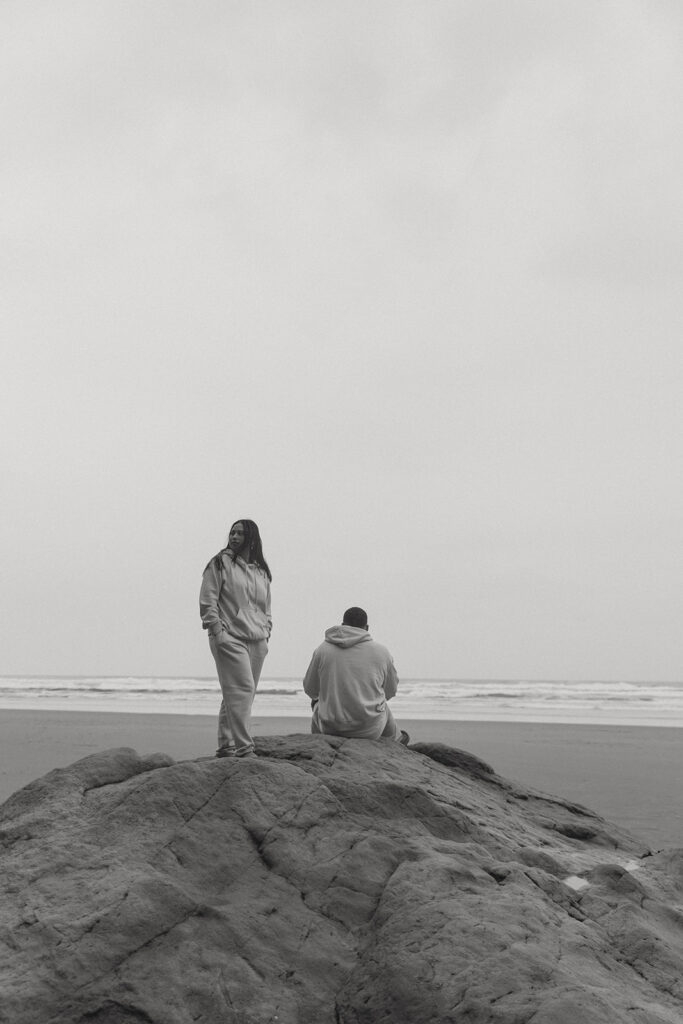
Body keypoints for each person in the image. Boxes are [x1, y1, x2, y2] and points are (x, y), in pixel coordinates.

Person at [199, 519, 272, 759]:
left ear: (252, 537)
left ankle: (226, 746)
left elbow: (266, 607)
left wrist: (267, 630)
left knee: (238, 694)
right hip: (230, 636)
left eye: (240, 533)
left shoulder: (261, 571)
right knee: (242, 689)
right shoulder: (220, 564)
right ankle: (244, 748)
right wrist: (218, 631)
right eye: (232, 532)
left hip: (257, 640)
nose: (234, 536)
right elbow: (208, 599)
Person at [303, 607, 409, 744]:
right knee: (382, 705)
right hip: (369, 730)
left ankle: (318, 744)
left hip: (331, 728)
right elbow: (391, 691)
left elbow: (310, 689)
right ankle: (398, 740)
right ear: (367, 627)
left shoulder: (322, 650)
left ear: (342, 625)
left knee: (317, 703)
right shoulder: (381, 652)